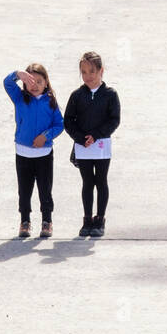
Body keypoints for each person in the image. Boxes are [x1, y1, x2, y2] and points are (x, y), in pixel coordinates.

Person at [63, 51, 120, 238]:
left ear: (101, 71)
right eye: (84, 72)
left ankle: (100, 219)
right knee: (87, 182)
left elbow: (114, 120)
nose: (88, 76)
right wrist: (80, 138)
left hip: (102, 144)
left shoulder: (110, 95)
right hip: (83, 147)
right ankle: (87, 219)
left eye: (92, 71)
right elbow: (68, 120)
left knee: (101, 181)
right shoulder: (77, 95)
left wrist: (96, 135)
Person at [3, 65, 64, 238]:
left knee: (45, 189)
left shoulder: (50, 102)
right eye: (30, 81)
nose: (35, 85)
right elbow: (7, 83)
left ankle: (47, 220)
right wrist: (17, 74)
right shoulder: (20, 98)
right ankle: (25, 220)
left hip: (44, 154)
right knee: (24, 190)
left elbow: (59, 124)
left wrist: (46, 136)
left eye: (39, 81)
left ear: (46, 83)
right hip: (23, 154)